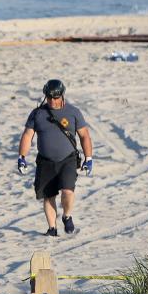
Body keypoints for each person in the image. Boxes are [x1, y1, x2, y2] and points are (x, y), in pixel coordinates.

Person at [18, 79, 94, 236]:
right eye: (50, 97)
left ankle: (67, 216)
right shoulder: (37, 113)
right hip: (45, 161)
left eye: (56, 97)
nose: (53, 100)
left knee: (67, 191)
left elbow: (84, 135)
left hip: (68, 159)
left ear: (62, 95)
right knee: (48, 196)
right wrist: (22, 157)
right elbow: (27, 135)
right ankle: (52, 229)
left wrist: (89, 158)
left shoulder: (73, 112)